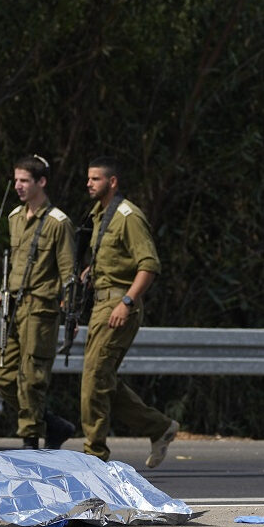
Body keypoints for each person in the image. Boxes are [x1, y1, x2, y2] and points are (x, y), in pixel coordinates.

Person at [79, 156, 178, 466]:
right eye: (89, 178)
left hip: (118, 305)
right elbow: (114, 259)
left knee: (95, 378)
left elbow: (149, 265)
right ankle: (159, 427)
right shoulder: (101, 216)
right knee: (101, 378)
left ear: (112, 182)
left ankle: (94, 456)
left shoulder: (127, 216)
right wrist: (90, 272)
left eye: (95, 179)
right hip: (101, 303)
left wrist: (127, 302)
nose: (89, 184)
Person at [0, 154, 79, 449]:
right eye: (16, 180)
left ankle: (30, 443)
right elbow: (16, 262)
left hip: (41, 310)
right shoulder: (15, 217)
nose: (18, 186)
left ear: (41, 182)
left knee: (31, 379)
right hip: (13, 308)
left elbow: (68, 271)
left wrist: (71, 313)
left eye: (24, 181)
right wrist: (3, 292)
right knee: (2, 377)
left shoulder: (58, 222)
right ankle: (53, 423)